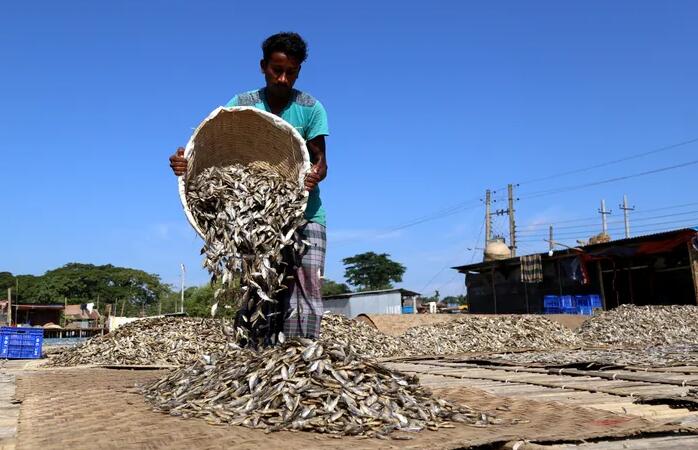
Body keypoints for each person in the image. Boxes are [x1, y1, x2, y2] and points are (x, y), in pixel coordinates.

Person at [169, 32, 328, 340]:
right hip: (252, 228)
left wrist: (315, 173)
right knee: (260, 288)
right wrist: (184, 164)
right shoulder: (242, 104)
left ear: (298, 71)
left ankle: (298, 361)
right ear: (263, 66)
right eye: (276, 70)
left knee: (305, 291)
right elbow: (214, 143)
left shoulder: (311, 108)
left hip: (305, 214)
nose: (283, 79)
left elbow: (321, 162)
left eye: (291, 72)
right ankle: (256, 358)